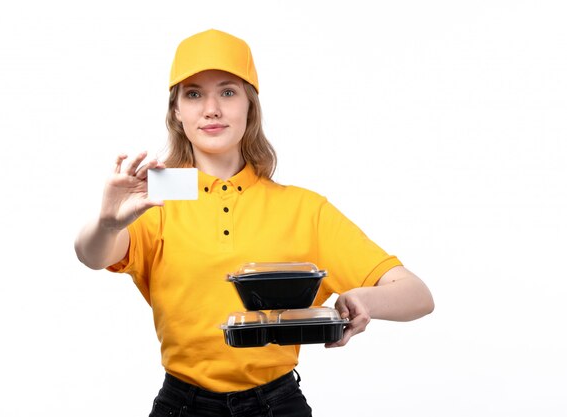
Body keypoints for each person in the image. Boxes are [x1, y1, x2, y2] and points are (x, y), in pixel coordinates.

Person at [75, 28, 434, 417]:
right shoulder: (156, 198)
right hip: (182, 405)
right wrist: (108, 223)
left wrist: (363, 299)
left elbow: (417, 295)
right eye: (193, 94)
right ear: (176, 110)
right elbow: (92, 255)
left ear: (250, 106)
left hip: (276, 404)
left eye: (228, 92)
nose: (211, 108)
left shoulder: (303, 208)